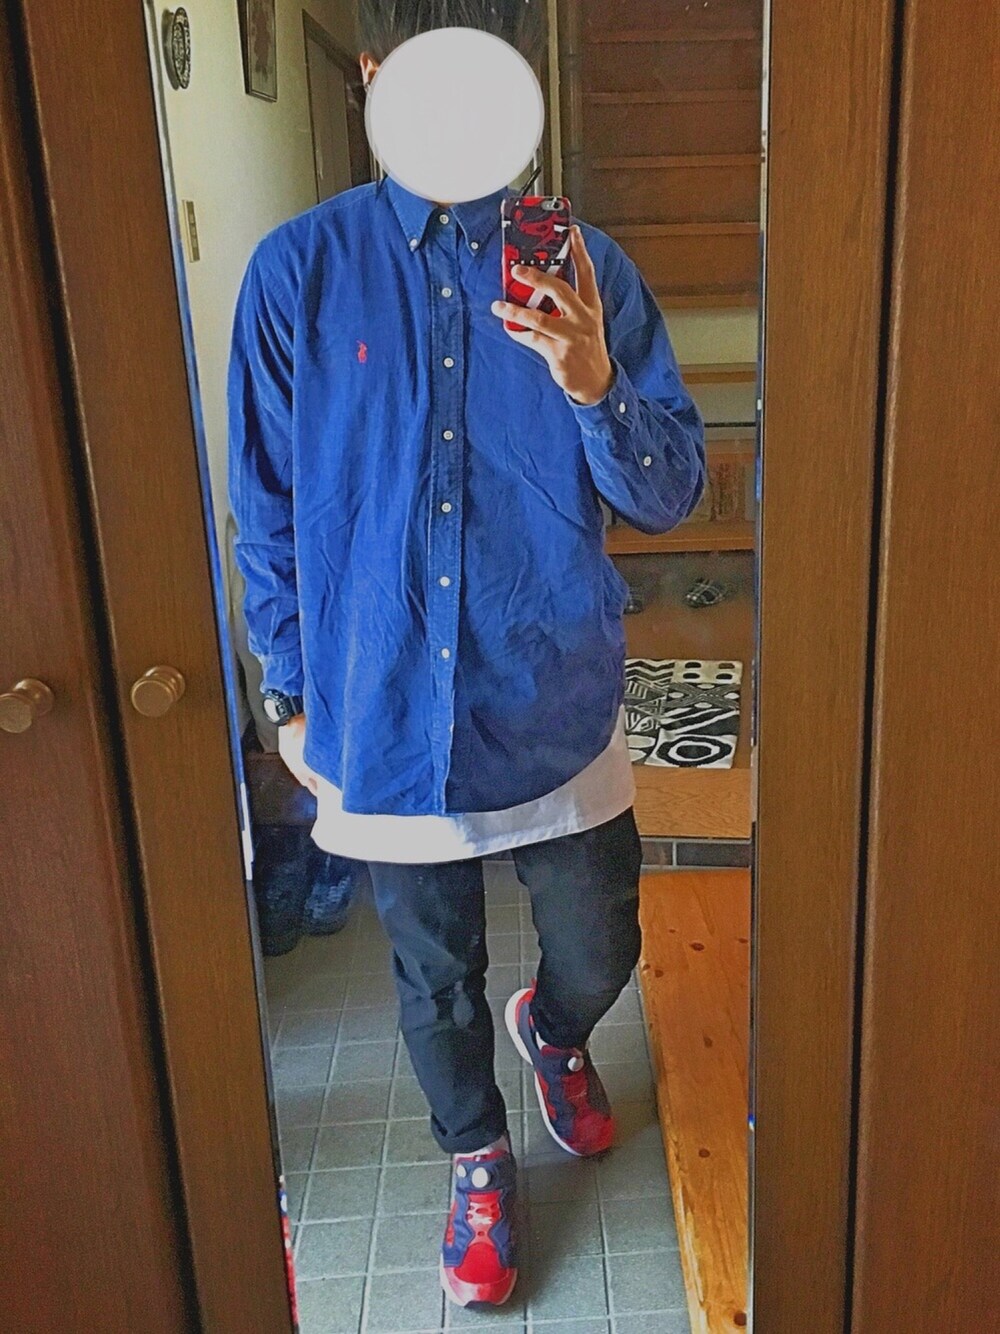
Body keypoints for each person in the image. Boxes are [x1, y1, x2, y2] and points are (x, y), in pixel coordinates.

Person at [228, 0, 705, 1308]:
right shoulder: (297, 272)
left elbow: (671, 493)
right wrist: (288, 685)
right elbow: (265, 501)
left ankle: (553, 1030)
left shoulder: (588, 265)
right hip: (380, 695)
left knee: (602, 942)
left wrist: (595, 382)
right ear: (376, 77)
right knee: (433, 972)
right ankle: (477, 1156)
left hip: (554, 689)